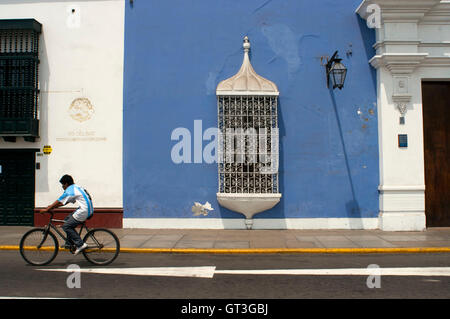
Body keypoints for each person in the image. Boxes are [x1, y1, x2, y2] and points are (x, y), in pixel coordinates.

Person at [40, 174, 93, 255]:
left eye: (62, 185)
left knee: (66, 226)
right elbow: (64, 202)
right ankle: (69, 243)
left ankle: (80, 244)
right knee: (66, 220)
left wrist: (47, 209)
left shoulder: (70, 190)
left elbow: (60, 200)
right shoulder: (75, 188)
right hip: (87, 209)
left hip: (84, 211)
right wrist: (52, 207)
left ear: (66, 184)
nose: (62, 187)